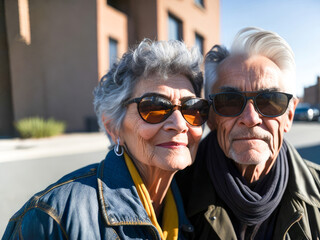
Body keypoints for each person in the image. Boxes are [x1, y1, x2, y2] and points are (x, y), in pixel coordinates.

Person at [3, 39, 210, 239]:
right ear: (114, 128)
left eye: (191, 108)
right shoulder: (50, 218)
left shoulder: (197, 209)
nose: (180, 124)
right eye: (155, 107)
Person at [176, 27, 320, 239]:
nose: (251, 118)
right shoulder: (174, 191)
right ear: (212, 117)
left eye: (270, 102)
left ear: (289, 116)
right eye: (229, 101)